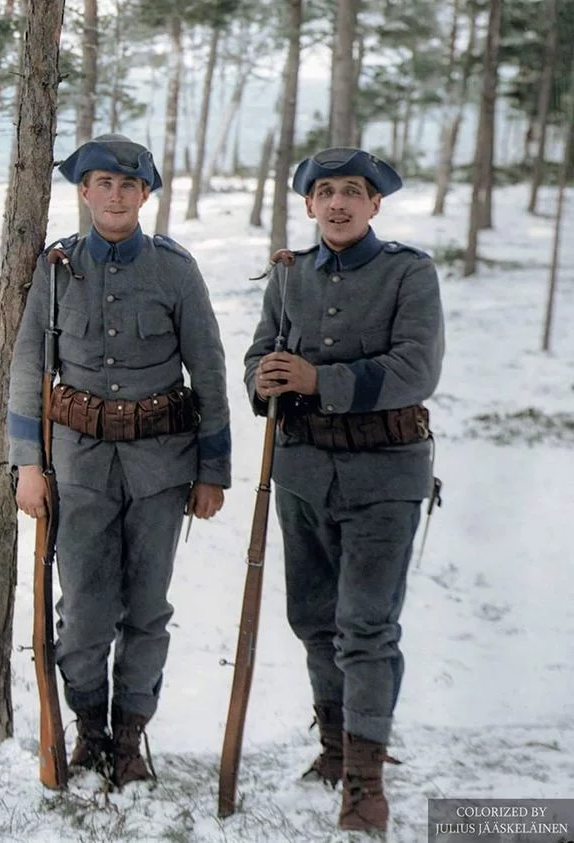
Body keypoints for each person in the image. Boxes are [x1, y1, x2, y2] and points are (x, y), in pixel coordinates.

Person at [8, 133, 231, 788]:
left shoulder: (175, 270)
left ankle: (131, 736)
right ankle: (89, 732)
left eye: (128, 186)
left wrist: (213, 469)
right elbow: (28, 369)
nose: (114, 195)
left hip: (162, 467)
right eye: (102, 183)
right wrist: (27, 462)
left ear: (145, 196)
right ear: (83, 192)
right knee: (82, 609)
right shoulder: (54, 269)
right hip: (76, 470)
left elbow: (210, 370)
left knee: (146, 608)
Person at [244, 148, 444, 833]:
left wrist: (317, 382)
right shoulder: (289, 272)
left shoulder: (408, 272)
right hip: (302, 472)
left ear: (374, 205)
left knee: (365, 625)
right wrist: (263, 377)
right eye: (324, 192)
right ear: (307, 204)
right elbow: (261, 349)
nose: (337, 203)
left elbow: (416, 368)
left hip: (386, 472)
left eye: (352, 193)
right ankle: (333, 750)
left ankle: (365, 783)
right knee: (314, 619)